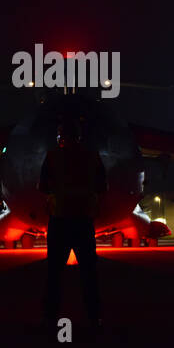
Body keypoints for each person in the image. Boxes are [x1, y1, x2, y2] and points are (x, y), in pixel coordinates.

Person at [37, 118, 108, 334]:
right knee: (89, 273)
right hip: (83, 221)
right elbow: (102, 186)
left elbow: (43, 187)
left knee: (54, 274)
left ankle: (50, 319)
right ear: (79, 136)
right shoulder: (91, 156)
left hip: (59, 220)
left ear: (61, 136)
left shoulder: (52, 156)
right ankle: (94, 319)